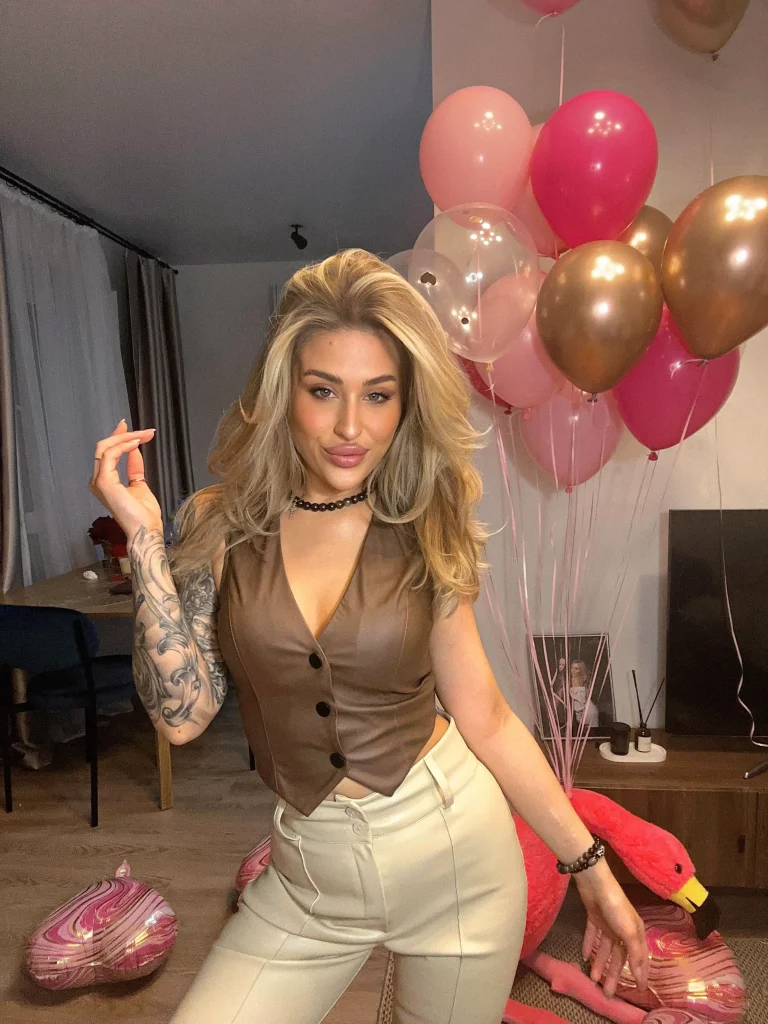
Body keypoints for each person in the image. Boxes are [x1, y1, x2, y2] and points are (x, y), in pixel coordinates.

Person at [90, 250, 648, 1024]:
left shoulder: (426, 522)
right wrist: (146, 539)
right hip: (309, 881)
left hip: (455, 861)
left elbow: (485, 716)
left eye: (378, 395)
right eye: (323, 391)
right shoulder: (221, 523)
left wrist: (591, 869)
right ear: (284, 392)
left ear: (403, 404)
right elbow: (181, 718)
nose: (351, 427)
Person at [570, 660, 600, 730]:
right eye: (572, 667)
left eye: (576, 668)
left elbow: (579, 708)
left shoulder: (577, 685)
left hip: (587, 714)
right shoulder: (580, 686)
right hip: (589, 712)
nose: (572, 671)